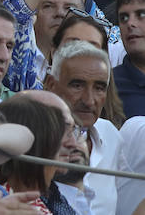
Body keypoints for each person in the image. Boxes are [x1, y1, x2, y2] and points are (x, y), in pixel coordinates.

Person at [43, 40, 119, 214]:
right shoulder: (32, 139)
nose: (89, 100)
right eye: (77, 85)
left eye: (99, 88)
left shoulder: (110, 134)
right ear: (51, 84)